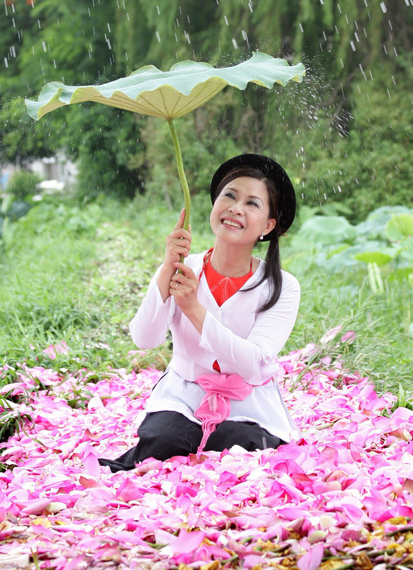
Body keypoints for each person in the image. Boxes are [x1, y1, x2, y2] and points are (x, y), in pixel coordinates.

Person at [98, 153, 300, 472]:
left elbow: (252, 363)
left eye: (252, 203)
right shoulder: (183, 268)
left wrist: (193, 308)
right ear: (214, 204)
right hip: (184, 395)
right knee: (164, 443)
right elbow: (144, 340)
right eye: (229, 196)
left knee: (236, 448)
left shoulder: (282, 286)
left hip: (248, 404)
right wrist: (166, 270)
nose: (236, 208)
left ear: (268, 225)